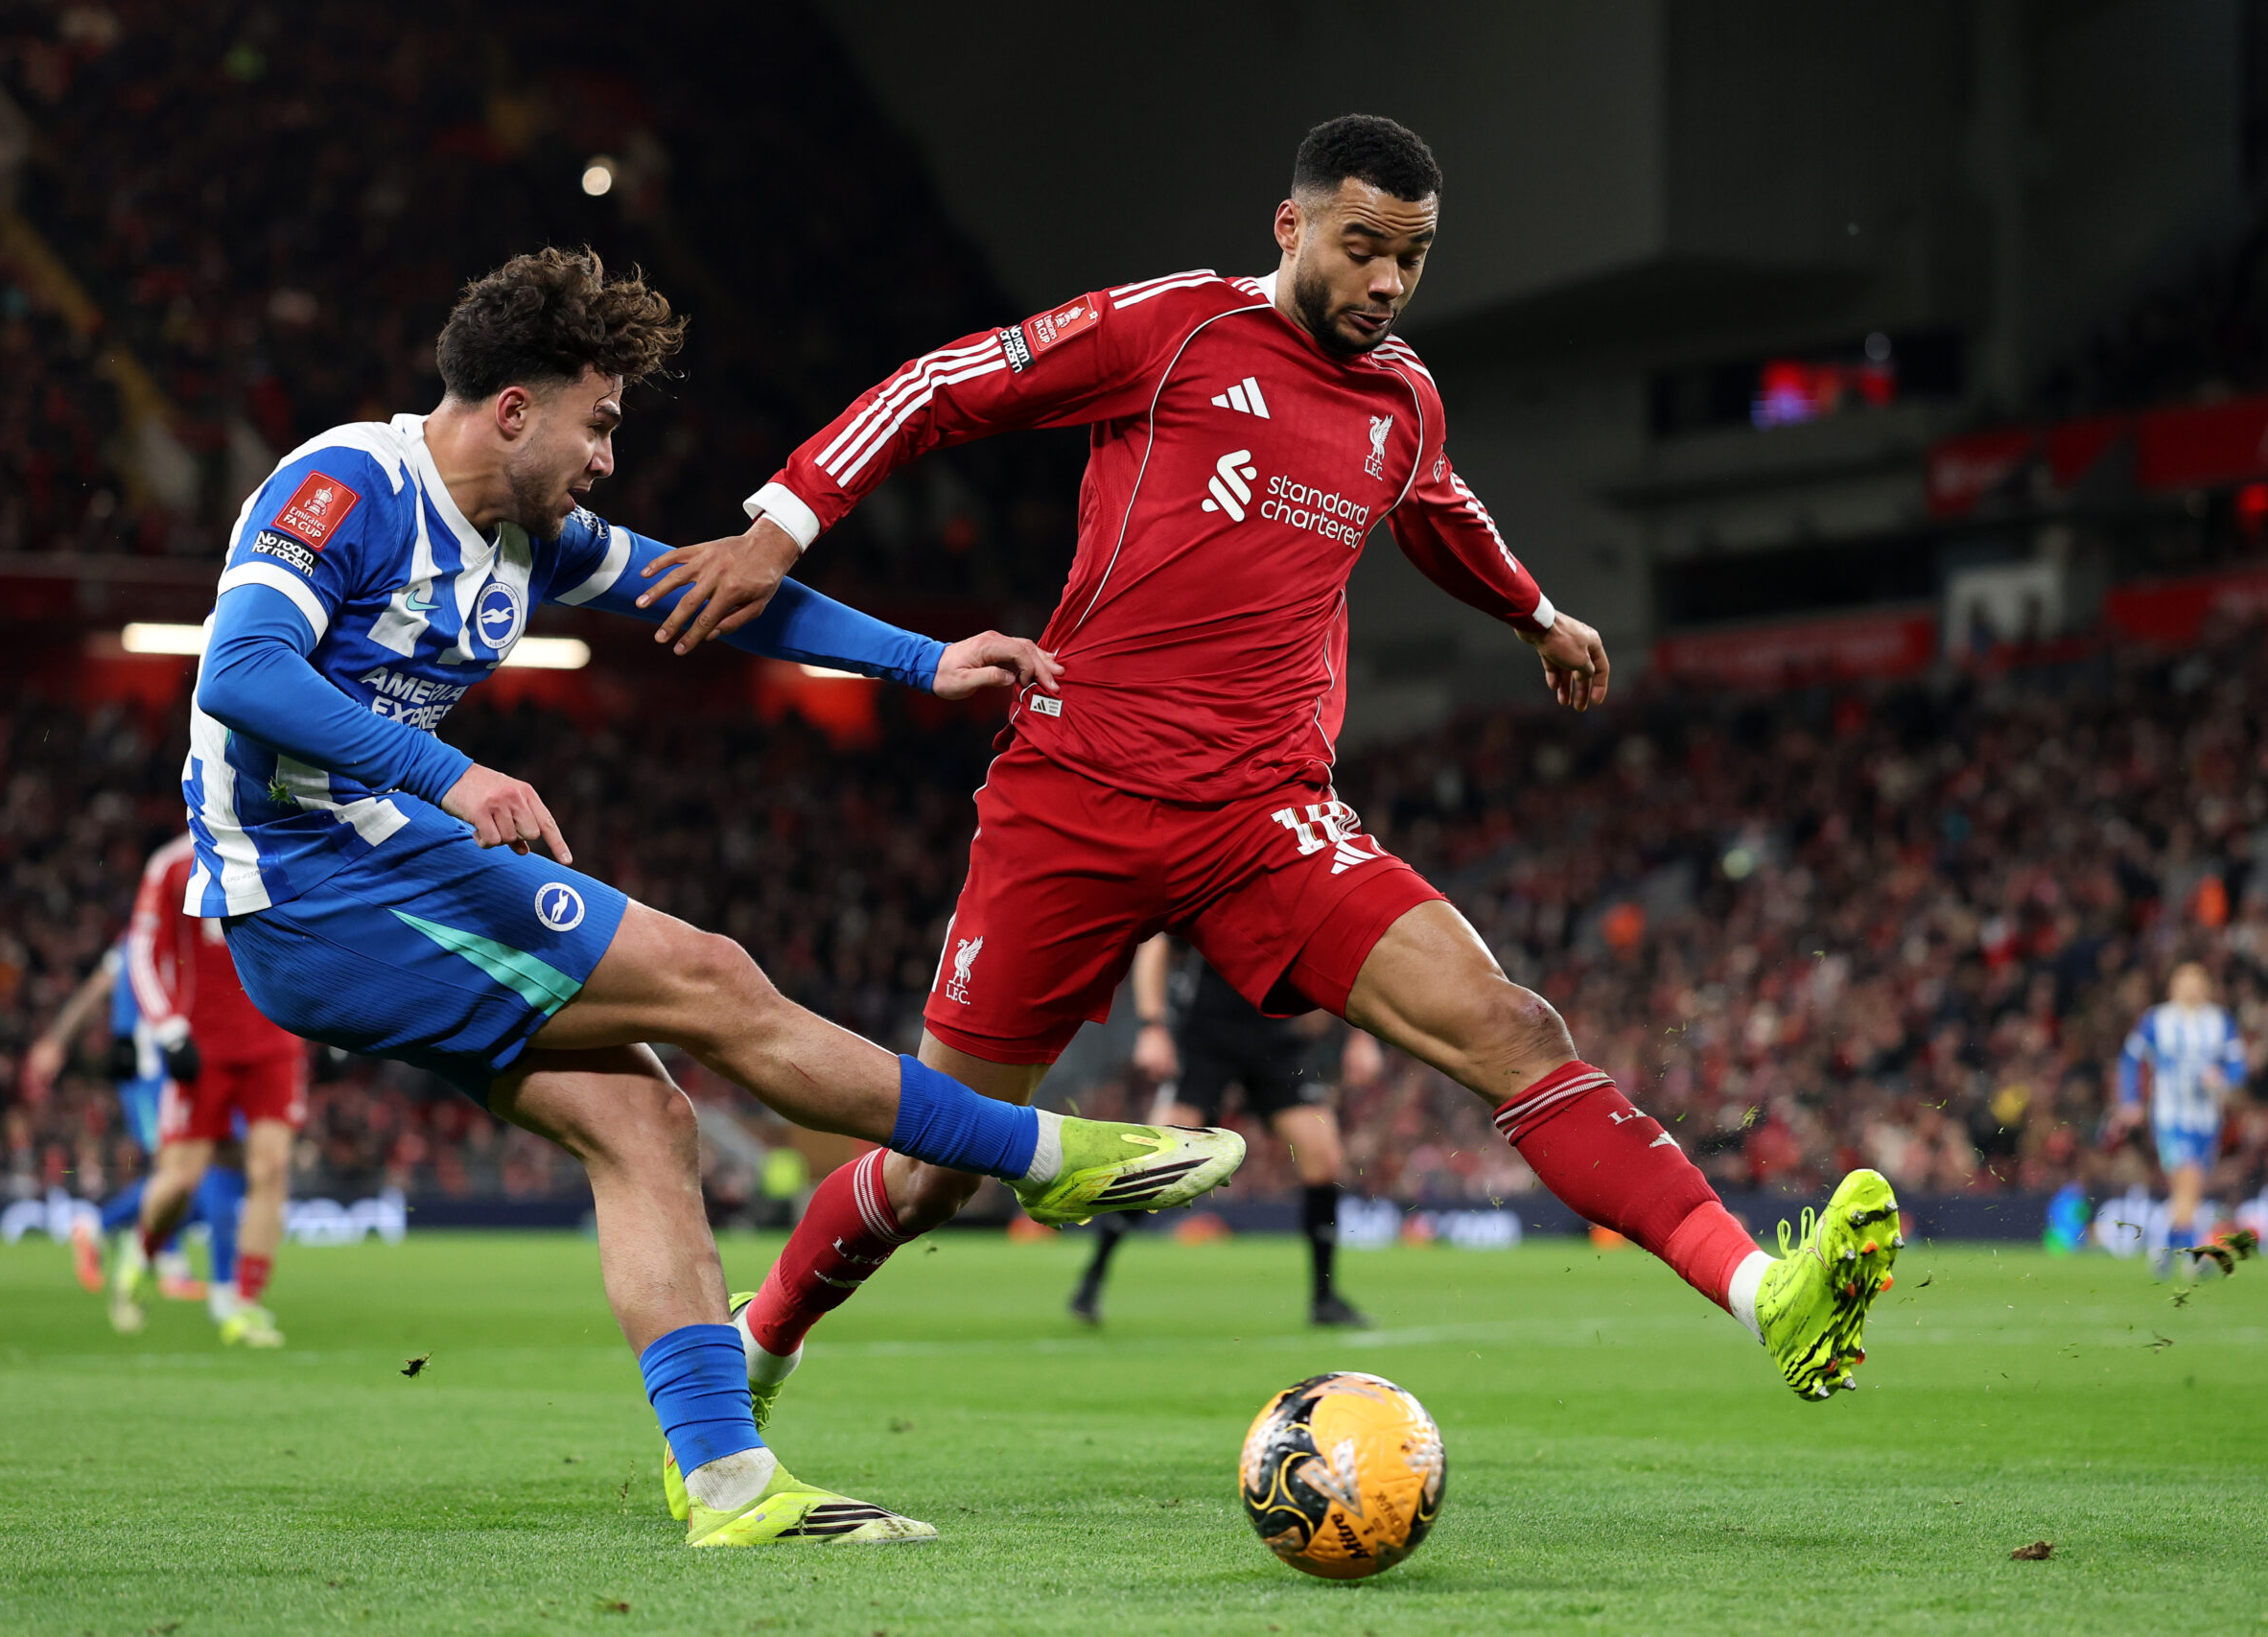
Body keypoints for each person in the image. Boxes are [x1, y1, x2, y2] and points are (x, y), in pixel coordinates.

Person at [640, 115, 1902, 1438]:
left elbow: (1437, 502)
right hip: (1076, 793)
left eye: (1410, 260)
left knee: (1511, 1026)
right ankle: (760, 1336)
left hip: (1267, 815)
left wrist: (1534, 614)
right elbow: (944, 381)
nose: (1386, 285)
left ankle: (1771, 1296)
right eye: (1363, 248)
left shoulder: (1403, 396)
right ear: (1292, 226)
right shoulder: (1174, 328)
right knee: (934, 1162)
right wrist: (778, 525)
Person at [180, 246, 1245, 1548]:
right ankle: (1043, 1158)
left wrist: (922, 659)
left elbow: (720, 591)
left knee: (645, 1123)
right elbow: (240, 669)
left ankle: (730, 1488)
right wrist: (451, 772)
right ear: (516, 408)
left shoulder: (533, 535)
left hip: (386, 869)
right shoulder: (349, 482)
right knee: (713, 979)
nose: (609, 457)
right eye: (602, 420)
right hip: (313, 888)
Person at [1070, 935, 1369, 1328]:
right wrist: (1152, 1026)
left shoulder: (1295, 889)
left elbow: (1343, 954)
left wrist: (1360, 1036)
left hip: (1274, 1038)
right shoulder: (1214, 883)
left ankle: (1324, 1299)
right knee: (1158, 1161)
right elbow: (1157, 943)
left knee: (1323, 1156)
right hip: (1204, 1038)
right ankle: (1093, 1277)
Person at [116, 833, 307, 1345]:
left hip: (274, 1039)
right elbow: (139, 951)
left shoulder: (285, 845)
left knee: (270, 1167)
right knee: (182, 1179)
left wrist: (330, 1017)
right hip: (202, 1047)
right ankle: (140, 1254)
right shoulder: (172, 862)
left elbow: (314, 935)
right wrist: (166, 1027)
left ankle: (239, 1302)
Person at [23, 941, 248, 1328]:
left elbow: (93, 991)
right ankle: (101, 1229)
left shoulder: (143, 943)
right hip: (153, 1077)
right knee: (181, 1170)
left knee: (189, 1173)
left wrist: (56, 1041)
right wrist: (56, 1041)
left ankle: (164, 1257)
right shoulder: (153, 942)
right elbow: (97, 992)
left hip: (162, 1073)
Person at [2110, 962, 2249, 1275]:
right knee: (2189, 1176)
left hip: (2207, 1120)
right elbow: (2130, 1058)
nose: (2191, 987)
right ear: (2173, 986)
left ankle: (2165, 1244)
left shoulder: (2220, 1022)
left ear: (2206, 986)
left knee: (2191, 1187)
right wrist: (2130, 1100)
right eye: (2184, 980)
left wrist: (2223, 1076)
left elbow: (2238, 1066)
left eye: (2197, 980)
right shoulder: (2157, 1020)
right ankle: (2193, 1255)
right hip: (2171, 1117)